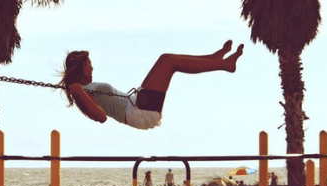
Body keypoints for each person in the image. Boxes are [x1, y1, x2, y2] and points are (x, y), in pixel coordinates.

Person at [58, 41, 243, 129]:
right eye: (89, 64)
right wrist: (78, 92)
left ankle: (213, 59)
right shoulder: (83, 92)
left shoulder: (85, 90)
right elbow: (101, 117)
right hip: (140, 112)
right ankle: (223, 64)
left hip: (138, 102)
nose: (92, 67)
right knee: (170, 63)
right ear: (82, 68)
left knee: (165, 58)